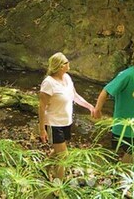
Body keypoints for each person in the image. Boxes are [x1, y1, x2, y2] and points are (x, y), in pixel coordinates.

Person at [93, 45, 134, 163]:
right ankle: (121, 175)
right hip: (126, 126)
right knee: (131, 152)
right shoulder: (127, 75)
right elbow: (106, 91)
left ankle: (126, 173)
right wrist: (98, 109)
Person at [39, 52, 95, 180]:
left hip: (66, 122)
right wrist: (42, 129)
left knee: (58, 151)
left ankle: (44, 167)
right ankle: (60, 184)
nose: (68, 63)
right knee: (63, 156)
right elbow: (42, 107)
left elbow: (75, 96)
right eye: (65, 62)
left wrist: (89, 106)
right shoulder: (48, 83)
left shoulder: (67, 78)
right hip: (53, 123)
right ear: (59, 66)